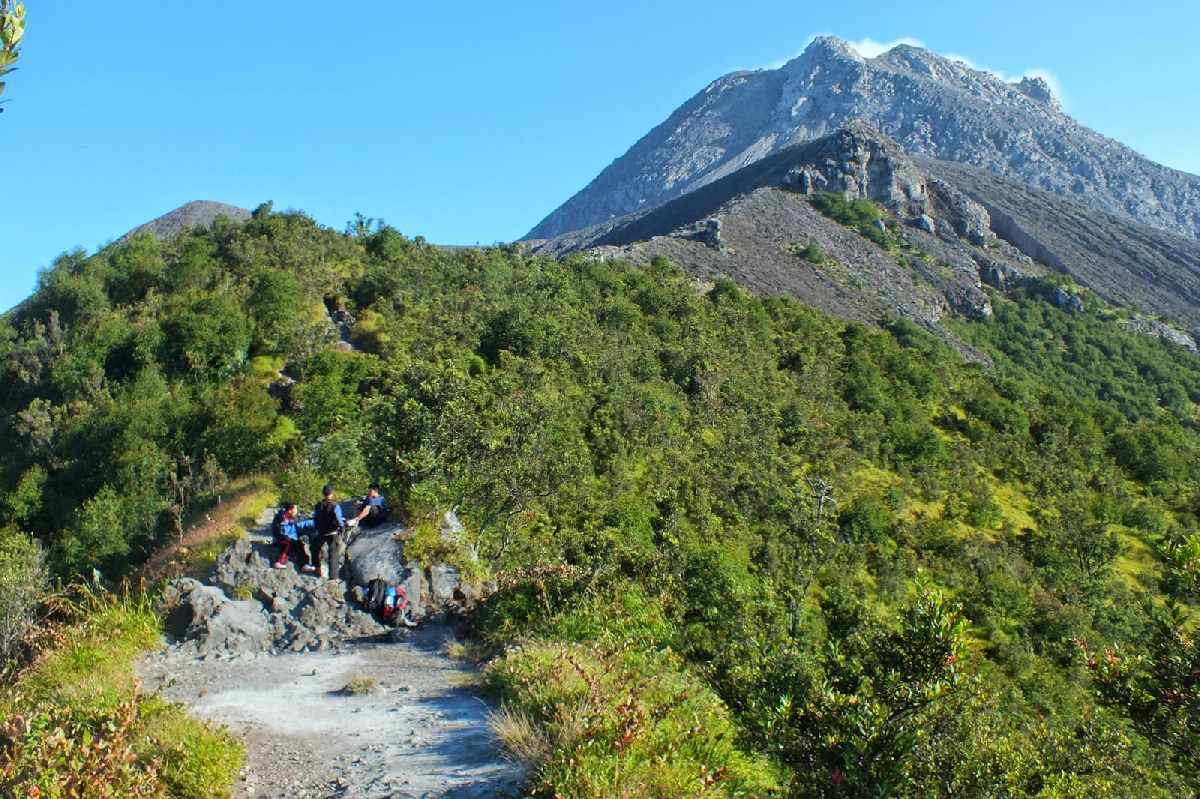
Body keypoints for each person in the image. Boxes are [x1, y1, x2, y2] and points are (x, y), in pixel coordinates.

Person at [310, 484, 346, 580]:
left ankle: (317, 570)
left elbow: (315, 518)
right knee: (333, 554)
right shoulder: (335, 506)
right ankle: (333, 578)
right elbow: (339, 520)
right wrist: (342, 528)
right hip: (333, 533)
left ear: (323, 494)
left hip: (321, 532)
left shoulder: (318, 506)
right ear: (332, 493)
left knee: (314, 548)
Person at [270, 502, 315, 570]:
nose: (296, 511)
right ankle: (279, 562)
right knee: (287, 542)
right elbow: (276, 532)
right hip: (280, 540)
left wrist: (318, 522)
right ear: (290, 510)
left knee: (299, 544)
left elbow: (305, 523)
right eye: (295, 509)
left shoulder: (294, 518)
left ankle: (304, 565)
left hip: (292, 539)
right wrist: (284, 537)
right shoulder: (279, 518)